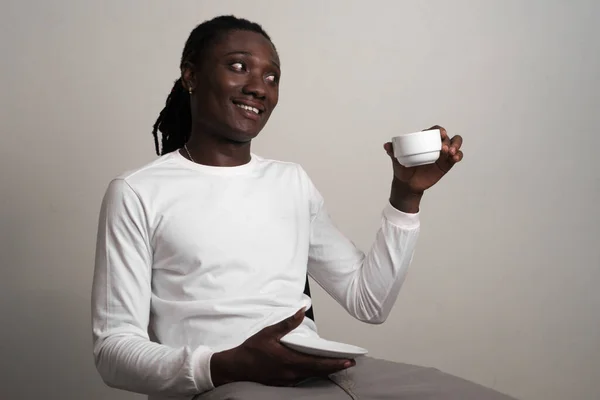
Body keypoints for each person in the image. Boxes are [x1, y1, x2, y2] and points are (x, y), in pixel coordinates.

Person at [91, 15, 516, 400]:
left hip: (318, 372)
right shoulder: (137, 192)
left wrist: (406, 198)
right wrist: (220, 366)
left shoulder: (290, 181)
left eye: (271, 76)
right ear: (191, 76)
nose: (259, 86)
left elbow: (369, 302)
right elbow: (113, 352)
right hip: (220, 384)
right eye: (238, 66)